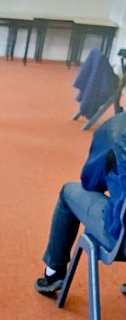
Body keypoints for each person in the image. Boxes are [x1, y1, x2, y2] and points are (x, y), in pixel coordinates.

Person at [35, 108, 126, 296]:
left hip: (121, 242)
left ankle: (53, 273)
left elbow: (91, 181)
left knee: (68, 192)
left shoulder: (117, 126)